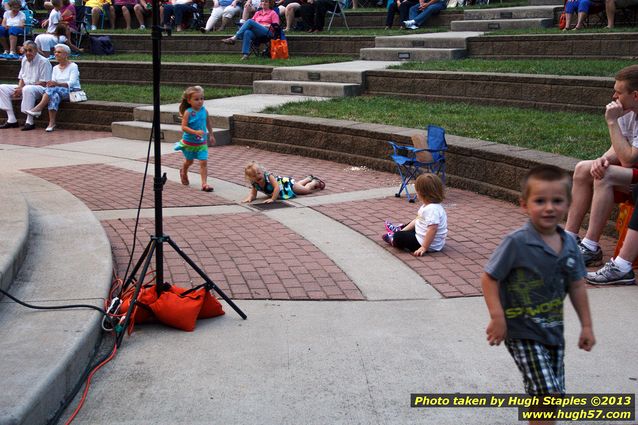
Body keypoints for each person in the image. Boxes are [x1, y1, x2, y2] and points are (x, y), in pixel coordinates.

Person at [482, 165, 595, 418]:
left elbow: (577, 285)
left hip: (553, 332)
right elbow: (489, 278)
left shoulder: (570, 246)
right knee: (547, 393)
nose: (549, 207)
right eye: (540, 200)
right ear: (524, 204)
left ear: (568, 204)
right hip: (521, 331)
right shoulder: (517, 242)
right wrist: (497, 316)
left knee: (549, 399)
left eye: (557, 201)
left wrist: (586, 326)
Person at [564, 65, 638, 267]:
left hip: (635, 176)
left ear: (636, 95)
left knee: (605, 175)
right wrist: (601, 159)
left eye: (619, 92)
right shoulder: (628, 112)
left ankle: (590, 246)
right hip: (632, 174)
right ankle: (569, 238)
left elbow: (629, 160)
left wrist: (612, 123)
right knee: (583, 169)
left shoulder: (619, 116)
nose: (614, 96)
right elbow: (618, 149)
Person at [382, 173, 448, 257]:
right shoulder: (429, 206)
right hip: (423, 236)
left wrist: (424, 247)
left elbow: (432, 229)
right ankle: (399, 229)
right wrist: (404, 231)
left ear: (422, 193)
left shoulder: (432, 210)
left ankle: (394, 237)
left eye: (417, 191)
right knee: (416, 222)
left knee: (399, 237)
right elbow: (418, 220)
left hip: (426, 244)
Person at [25, 44, 80, 132]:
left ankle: (39, 107)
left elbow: (72, 82)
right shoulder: (55, 68)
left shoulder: (73, 66)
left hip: (71, 90)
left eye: (59, 52)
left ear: (66, 54)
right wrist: (51, 83)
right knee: (54, 96)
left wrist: (57, 84)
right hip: (57, 90)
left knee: (52, 90)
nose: (56, 54)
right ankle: (52, 123)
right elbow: (53, 81)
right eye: (55, 52)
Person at [0, 40, 52, 131]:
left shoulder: (44, 62)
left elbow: (44, 82)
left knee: (27, 89)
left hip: (41, 89)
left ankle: (30, 121)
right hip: (26, 87)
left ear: (36, 51)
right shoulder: (24, 59)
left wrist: (22, 89)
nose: (28, 53)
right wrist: (19, 88)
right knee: (2, 88)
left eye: (30, 50)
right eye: (26, 50)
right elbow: (22, 77)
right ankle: (11, 119)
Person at [173, 86, 216, 192]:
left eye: (202, 98)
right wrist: (195, 132)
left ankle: (204, 184)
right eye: (196, 99)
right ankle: (184, 171)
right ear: (189, 100)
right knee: (189, 161)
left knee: (203, 162)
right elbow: (183, 127)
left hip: (201, 143)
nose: (200, 101)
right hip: (189, 143)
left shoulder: (204, 111)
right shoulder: (188, 112)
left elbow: (208, 123)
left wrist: (211, 134)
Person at [242, 161, 325, 203]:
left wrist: (272, 199)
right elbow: (253, 194)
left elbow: (277, 187)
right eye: (254, 176)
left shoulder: (269, 176)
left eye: (258, 173)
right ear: (250, 178)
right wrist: (250, 198)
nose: (257, 176)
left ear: (262, 171)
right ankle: (308, 178)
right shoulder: (254, 183)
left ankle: (314, 182)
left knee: (305, 190)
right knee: (298, 187)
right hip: (285, 189)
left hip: (287, 185)